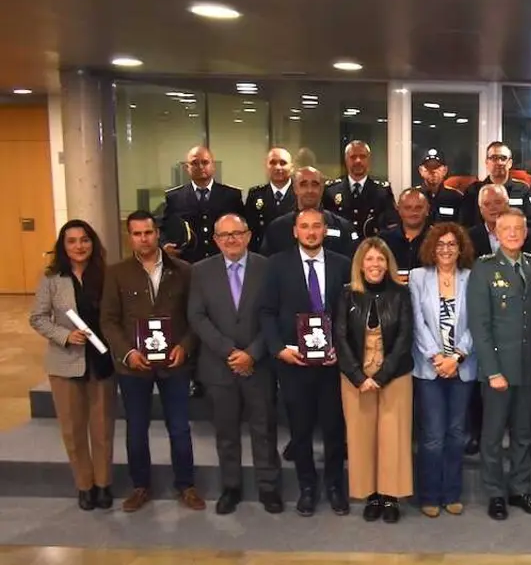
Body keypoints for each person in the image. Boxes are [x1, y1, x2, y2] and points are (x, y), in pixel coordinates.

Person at [100, 211, 202, 513]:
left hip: (175, 364)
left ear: (157, 233)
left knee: (180, 428)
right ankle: (140, 486)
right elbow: (108, 320)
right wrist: (128, 353)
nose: (143, 239)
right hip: (133, 366)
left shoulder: (184, 271)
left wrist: (185, 347)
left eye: (148, 232)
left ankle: (186, 485)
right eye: (137, 234)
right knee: (136, 428)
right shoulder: (116, 273)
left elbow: (196, 316)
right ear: (129, 237)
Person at [259, 207, 353, 517]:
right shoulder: (276, 265)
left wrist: (343, 349)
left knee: (334, 429)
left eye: (316, 226)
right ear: (295, 231)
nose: (311, 232)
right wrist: (278, 350)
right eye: (305, 227)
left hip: (332, 363)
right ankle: (307, 488)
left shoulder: (342, 264)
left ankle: (335, 487)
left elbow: (351, 312)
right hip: (293, 362)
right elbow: (267, 312)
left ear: (325, 230)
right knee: (299, 431)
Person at [188, 214, 283, 515]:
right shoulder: (200, 271)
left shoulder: (268, 268)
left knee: (264, 430)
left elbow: (276, 314)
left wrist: (252, 353)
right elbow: (196, 316)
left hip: (259, 365)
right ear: (215, 240)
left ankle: (269, 487)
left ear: (248, 236)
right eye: (224, 235)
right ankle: (231, 488)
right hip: (219, 367)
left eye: (237, 233)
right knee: (226, 433)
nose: (231, 239)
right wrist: (230, 352)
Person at [29, 220, 115, 510]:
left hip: (102, 362)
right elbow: (38, 318)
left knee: (103, 429)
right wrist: (65, 336)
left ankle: (103, 483)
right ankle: (85, 485)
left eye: (85, 239)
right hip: (65, 364)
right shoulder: (52, 278)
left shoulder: (107, 275)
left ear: (93, 242)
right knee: (73, 430)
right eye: (72, 241)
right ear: (63, 246)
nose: (79, 246)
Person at [467, 208, 531, 521]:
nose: (512, 234)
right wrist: (492, 370)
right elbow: (480, 325)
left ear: (525, 234)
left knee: (524, 434)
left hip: (528, 366)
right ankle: (495, 493)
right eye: (506, 229)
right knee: (493, 435)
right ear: (496, 234)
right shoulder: (484, 268)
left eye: (518, 229)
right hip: (498, 368)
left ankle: (520, 489)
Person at [335, 237, 415, 524]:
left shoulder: (401, 293)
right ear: (360, 264)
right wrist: (359, 377)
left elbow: (405, 337)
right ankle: (372, 496)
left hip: (395, 376)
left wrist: (381, 376)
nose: (375, 264)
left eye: (380, 259)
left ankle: (391, 496)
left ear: (388, 263)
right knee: (362, 437)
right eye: (369, 259)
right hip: (356, 378)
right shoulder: (347, 294)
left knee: (393, 437)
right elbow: (340, 337)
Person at [410, 223, 476, 518]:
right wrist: (437, 357)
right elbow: (417, 322)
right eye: (440, 244)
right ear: (431, 248)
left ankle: (451, 494)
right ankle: (429, 495)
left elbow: (478, 322)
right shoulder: (418, 277)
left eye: (451, 244)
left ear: (460, 248)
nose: (446, 249)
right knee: (433, 435)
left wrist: (457, 357)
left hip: (463, 366)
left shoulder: (471, 278)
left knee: (456, 433)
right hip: (430, 368)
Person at [162, 145, 245, 262]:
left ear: (213, 166)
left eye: (205, 162)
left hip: (224, 260)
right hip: (188, 261)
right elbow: (163, 227)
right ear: (187, 167)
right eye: (195, 163)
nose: (200, 167)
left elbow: (243, 227)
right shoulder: (174, 197)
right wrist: (165, 244)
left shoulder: (231, 195)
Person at [263, 166, 359, 257]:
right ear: (295, 188)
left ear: (322, 188)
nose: (309, 190)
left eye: (315, 184)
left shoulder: (343, 227)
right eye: (303, 184)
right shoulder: (276, 228)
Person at [460, 141, 531, 238]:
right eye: (494, 158)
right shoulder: (474, 191)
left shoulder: (523, 190)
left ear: (510, 163)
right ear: (487, 162)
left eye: (503, 158)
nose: (499, 162)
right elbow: (465, 224)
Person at [323, 140, 396, 240]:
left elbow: (390, 226)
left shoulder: (382, 191)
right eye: (353, 157)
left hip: (371, 245)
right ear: (346, 160)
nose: (358, 161)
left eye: (362, 157)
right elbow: (328, 225)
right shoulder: (331, 191)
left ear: (369, 160)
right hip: (341, 246)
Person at [244, 148, 296, 253]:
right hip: (264, 254)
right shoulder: (255, 194)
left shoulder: (300, 193)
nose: (278, 167)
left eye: (283, 163)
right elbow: (250, 229)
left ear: (292, 167)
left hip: (293, 253)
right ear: (266, 166)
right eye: (273, 163)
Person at [380, 188, 431, 271]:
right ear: (399, 209)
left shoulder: (438, 238)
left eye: (418, 207)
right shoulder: (383, 239)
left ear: (427, 209)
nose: (413, 212)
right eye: (407, 208)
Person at [416, 153, 464, 224]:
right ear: (421, 171)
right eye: (428, 167)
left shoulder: (456, 197)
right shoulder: (412, 196)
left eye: (437, 167)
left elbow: (462, 226)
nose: (433, 171)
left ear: (445, 170)